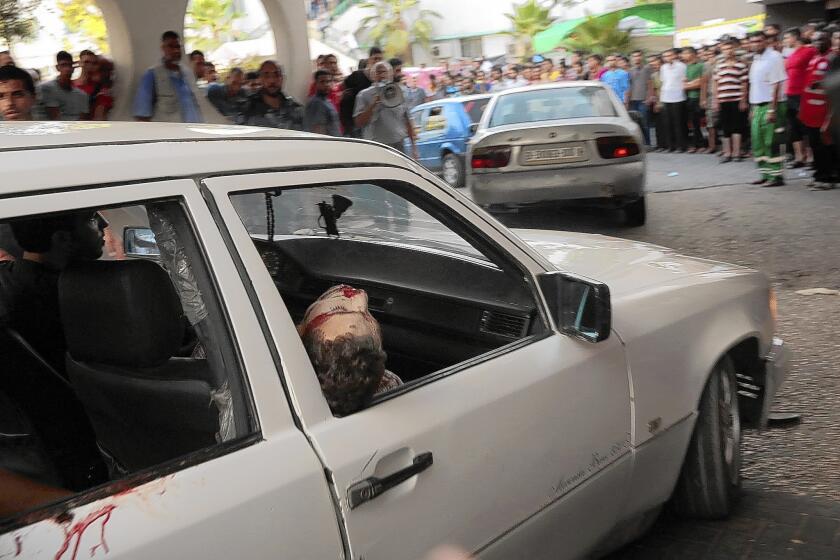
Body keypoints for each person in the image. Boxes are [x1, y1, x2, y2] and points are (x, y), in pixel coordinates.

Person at [0, 211, 106, 372]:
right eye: (91, 218)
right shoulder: (89, 301)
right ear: (62, 238)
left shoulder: (7, 279)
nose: (104, 223)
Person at [298, 284, 400, 416]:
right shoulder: (390, 383)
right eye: (368, 314)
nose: (362, 296)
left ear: (300, 332)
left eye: (338, 309)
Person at [133, 31, 205, 123]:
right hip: (170, 134)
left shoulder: (188, 73)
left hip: (194, 132)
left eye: (178, 47)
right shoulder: (152, 74)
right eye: (171, 46)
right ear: (163, 48)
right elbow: (142, 115)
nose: (176, 51)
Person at [353, 61, 418, 158]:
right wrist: (373, 104)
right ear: (372, 76)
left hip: (398, 143)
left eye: (384, 72)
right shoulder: (364, 95)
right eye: (378, 72)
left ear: (390, 75)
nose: (382, 75)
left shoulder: (400, 92)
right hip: (377, 145)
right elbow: (358, 122)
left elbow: (407, 119)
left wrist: (414, 148)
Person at [748, 31, 788, 187]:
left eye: (759, 41)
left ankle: (776, 177)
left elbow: (776, 84)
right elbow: (756, 85)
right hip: (758, 105)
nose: (755, 43)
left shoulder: (774, 57)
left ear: (765, 41)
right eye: (752, 41)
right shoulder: (756, 58)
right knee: (758, 142)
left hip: (772, 105)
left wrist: (772, 110)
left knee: (771, 141)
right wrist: (753, 108)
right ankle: (765, 174)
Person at [799, 32, 835, 190]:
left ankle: (826, 178)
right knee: (815, 145)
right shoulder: (813, 59)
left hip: (824, 111)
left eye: (820, 40)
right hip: (810, 110)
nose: (816, 43)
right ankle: (819, 174)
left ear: (828, 41)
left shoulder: (832, 59)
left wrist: (820, 84)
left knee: (823, 145)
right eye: (814, 41)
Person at [783, 27, 816, 168]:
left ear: (795, 38)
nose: (785, 41)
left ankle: (810, 157)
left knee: (805, 126)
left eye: (787, 38)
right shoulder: (791, 55)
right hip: (789, 95)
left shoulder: (809, 51)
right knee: (793, 127)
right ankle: (799, 157)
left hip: (802, 94)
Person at [239, 60, 303, 130]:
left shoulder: (296, 109)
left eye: (276, 75)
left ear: (282, 78)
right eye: (266, 76)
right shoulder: (247, 108)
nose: (272, 80)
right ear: (260, 79)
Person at [714, 38, 749, 163]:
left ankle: (736, 153)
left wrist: (743, 100)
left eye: (730, 48)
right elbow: (716, 84)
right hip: (723, 100)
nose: (727, 51)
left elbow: (744, 84)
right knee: (725, 127)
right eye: (725, 49)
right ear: (722, 51)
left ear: (734, 49)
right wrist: (716, 100)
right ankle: (727, 153)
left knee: (737, 127)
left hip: (736, 99)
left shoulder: (741, 65)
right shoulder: (719, 66)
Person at [341, 47, 384, 137]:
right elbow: (343, 89)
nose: (377, 61)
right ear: (369, 60)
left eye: (380, 59)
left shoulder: (382, 80)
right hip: (355, 123)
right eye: (375, 58)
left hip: (373, 125)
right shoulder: (357, 76)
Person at [39, 51, 89, 121]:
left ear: (73, 68)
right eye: (63, 65)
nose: (67, 69)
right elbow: (54, 117)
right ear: (57, 67)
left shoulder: (82, 95)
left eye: (69, 65)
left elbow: (83, 120)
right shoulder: (48, 88)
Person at [660, 48, 688, 152]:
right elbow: (663, 80)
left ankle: (681, 146)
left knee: (678, 123)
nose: (667, 58)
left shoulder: (681, 66)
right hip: (666, 96)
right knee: (668, 123)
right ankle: (670, 146)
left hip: (678, 96)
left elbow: (685, 79)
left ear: (674, 56)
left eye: (670, 55)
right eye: (665, 56)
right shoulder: (663, 67)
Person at [681, 47, 706, 152]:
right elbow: (683, 82)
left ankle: (701, 145)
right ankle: (694, 144)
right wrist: (690, 84)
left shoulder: (701, 65)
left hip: (697, 97)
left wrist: (688, 85)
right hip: (688, 98)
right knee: (692, 123)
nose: (683, 56)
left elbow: (701, 82)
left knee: (698, 122)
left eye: (685, 53)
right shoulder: (686, 67)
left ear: (692, 54)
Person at [304, 69, 341, 136]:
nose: (326, 84)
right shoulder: (316, 103)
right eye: (322, 82)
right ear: (316, 84)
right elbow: (318, 130)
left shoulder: (327, 101)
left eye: (328, 81)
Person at [628, 51, 653, 145]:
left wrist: (649, 97)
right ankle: (639, 144)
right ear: (632, 58)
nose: (636, 58)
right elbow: (629, 86)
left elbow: (650, 84)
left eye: (638, 56)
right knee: (635, 124)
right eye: (634, 56)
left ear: (642, 57)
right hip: (633, 100)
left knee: (644, 123)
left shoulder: (647, 69)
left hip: (643, 100)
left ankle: (647, 143)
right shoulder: (630, 71)